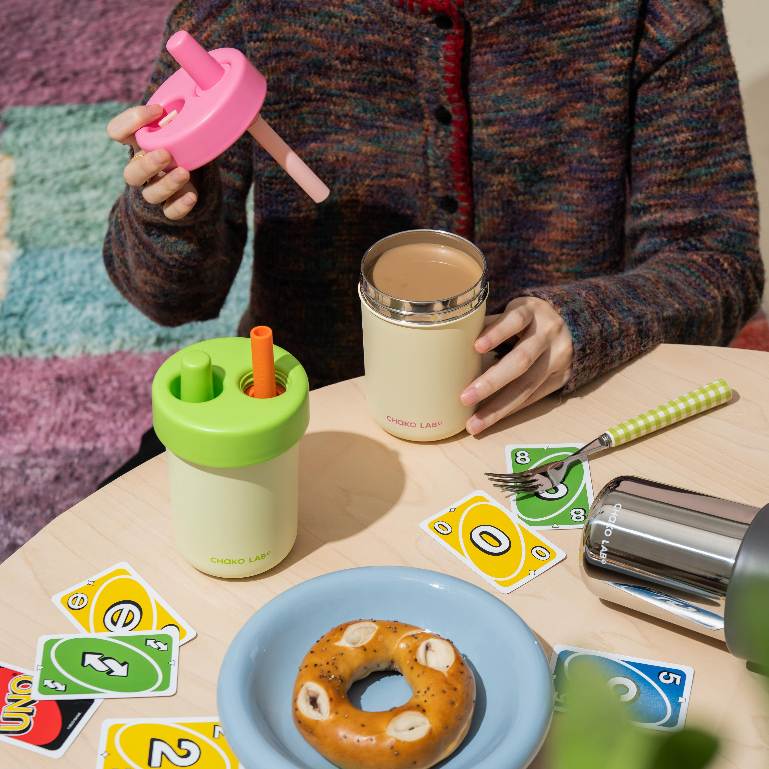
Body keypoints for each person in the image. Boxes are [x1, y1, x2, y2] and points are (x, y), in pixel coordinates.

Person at [104, 0, 761, 439]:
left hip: (551, 422)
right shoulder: (241, 13)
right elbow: (172, 299)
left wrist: (590, 322)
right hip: (305, 414)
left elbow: (719, 261)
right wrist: (167, 211)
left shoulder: (648, 13)